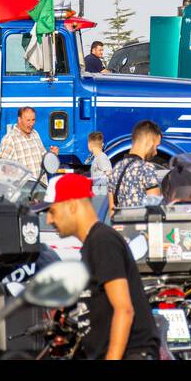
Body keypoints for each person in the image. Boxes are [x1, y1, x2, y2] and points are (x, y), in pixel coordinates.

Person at [38, 173, 158, 359]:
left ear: (71, 206)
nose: (49, 220)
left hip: (131, 353)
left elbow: (124, 309)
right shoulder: (91, 245)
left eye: (52, 211)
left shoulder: (103, 241)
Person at [108, 121, 165, 211]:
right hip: (142, 223)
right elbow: (155, 211)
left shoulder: (116, 169)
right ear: (150, 142)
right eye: (156, 146)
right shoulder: (146, 169)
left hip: (120, 223)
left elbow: (112, 211)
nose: (156, 152)